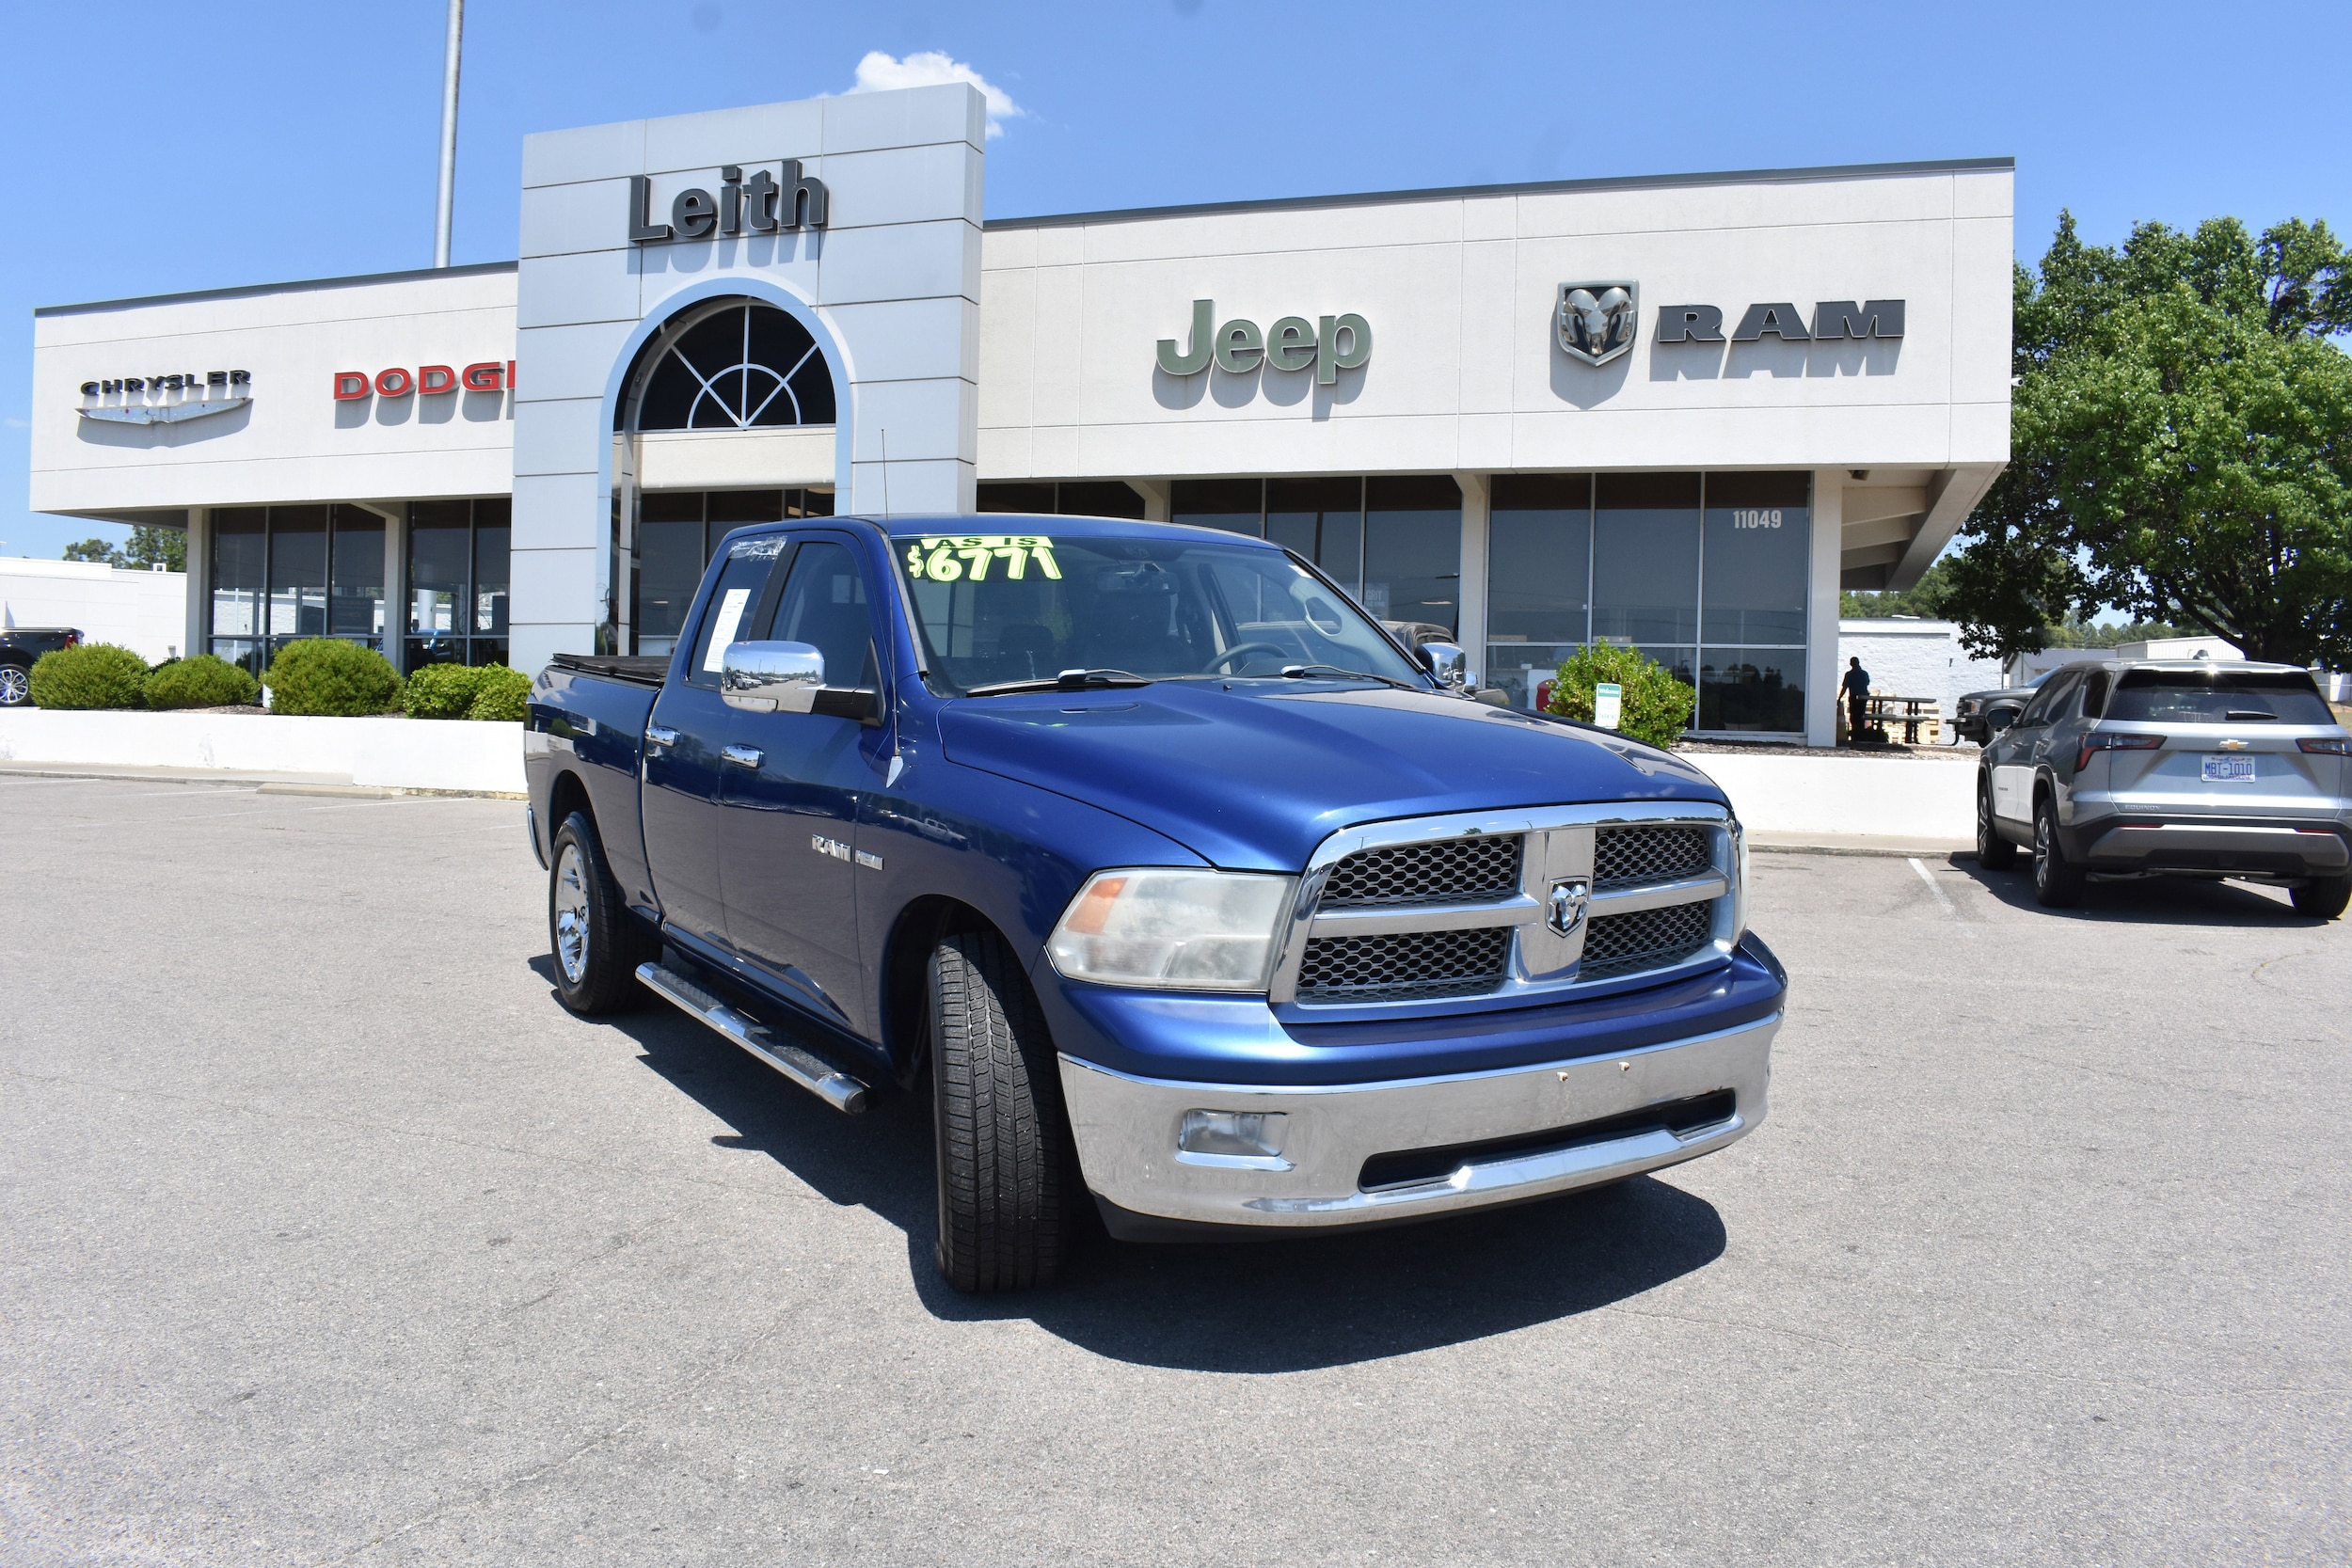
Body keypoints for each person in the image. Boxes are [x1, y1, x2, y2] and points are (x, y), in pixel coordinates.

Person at [1842, 657, 1871, 740]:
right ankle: (1861, 734)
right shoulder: (1864, 673)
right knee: (1861, 715)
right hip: (1863, 697)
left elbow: (1845, 687)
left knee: (1854, 716)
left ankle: (1855, 734)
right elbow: (1867, 683)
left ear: (1851, 664)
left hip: (1854, 697)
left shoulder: (1849, 674)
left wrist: (1840, 698)